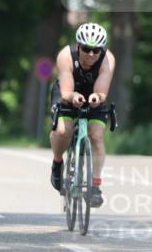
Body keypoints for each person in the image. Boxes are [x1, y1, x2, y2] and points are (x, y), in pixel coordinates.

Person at [49, 22, 115, 208]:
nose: (91, 54)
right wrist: (73, 97)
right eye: (86, 49)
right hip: (68, 91)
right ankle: (57, 163)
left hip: (94, 94)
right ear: (78, 46)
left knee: (97, 135)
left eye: (96, 50)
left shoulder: (108, 59)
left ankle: (95, 186)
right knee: (63, 131)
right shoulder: (66, 55)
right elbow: (66, 91)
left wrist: (97, 97)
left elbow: (101, 91)